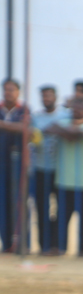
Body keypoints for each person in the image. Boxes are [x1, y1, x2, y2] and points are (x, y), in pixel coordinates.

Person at [46, 98, 83, 256]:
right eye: (74, 108)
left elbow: (76, 133)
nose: (76, 111)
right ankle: (59, 246)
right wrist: (70, 132)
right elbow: (50, 127)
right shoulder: (65, 121)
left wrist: (68, 132)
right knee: (61, 215)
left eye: (80, 108)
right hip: (64, 178)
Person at [30, 85, 63, 255]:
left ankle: (56, 244)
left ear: (55, 97)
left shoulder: (64, 115)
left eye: (49, 96)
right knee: (42, 207)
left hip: (60, 169)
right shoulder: (36, 117)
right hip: (41, 168)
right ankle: (43, 245)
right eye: (43, 96)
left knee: (60, 208)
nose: (46, 99)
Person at [0, 78, 28, 252]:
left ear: (18, 92)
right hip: (1, 163)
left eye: (11, 90)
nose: (8, 93)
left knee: (19, 203)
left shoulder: (24, 110)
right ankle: (6, 243)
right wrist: (12, 126)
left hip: (18, 164)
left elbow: (25, 128)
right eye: (5, 89)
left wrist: (3, 125)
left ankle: (22, 243)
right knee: (2, 204)